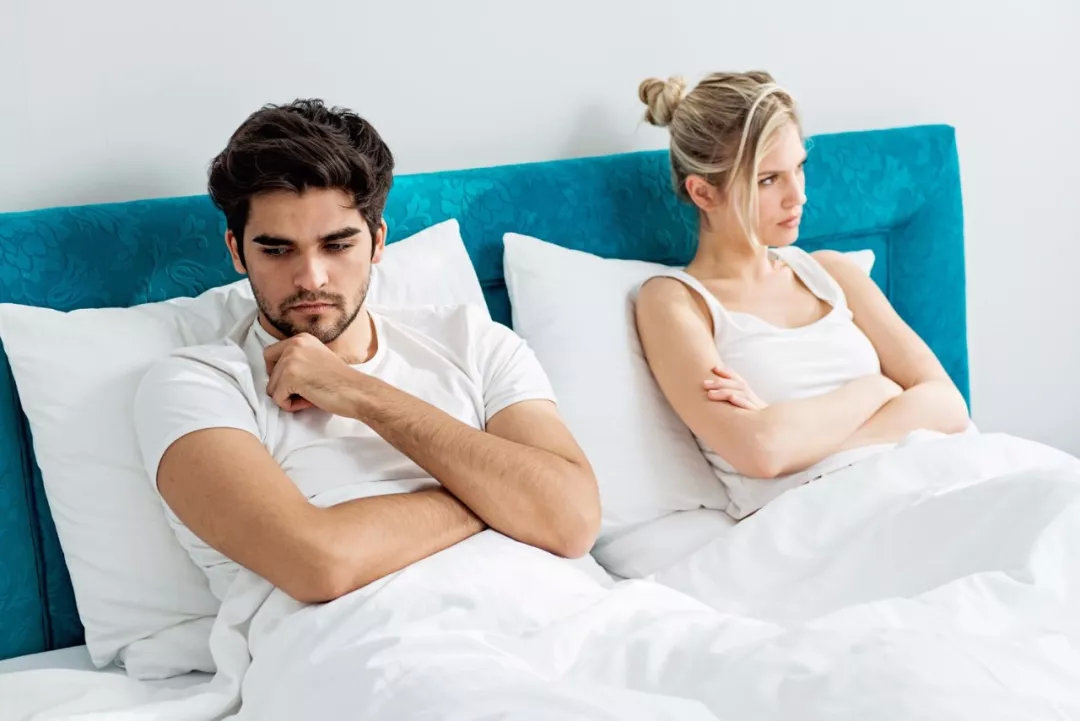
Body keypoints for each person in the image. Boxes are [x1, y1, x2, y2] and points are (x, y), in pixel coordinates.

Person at [133, 99, 601, 604]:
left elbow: (573, 519)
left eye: (337, 245)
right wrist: (500, 498)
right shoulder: (196, 385)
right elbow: (319, 565)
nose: (311, 277)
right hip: (376, 643)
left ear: (378, 242)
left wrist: (356, 391)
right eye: (277, 249)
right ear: (236, 251)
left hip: (571, 616)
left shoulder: (474, 342)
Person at [634, 72, 970, 518]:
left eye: (799, 168)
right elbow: (762, 450)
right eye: (768, 179)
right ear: (704, 192)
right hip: (822, 518)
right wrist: (878, 389)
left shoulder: (831, 272)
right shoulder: (675, 302)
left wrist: (803, 440)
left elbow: (948, 404)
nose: (798, 196)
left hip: (923, 479)